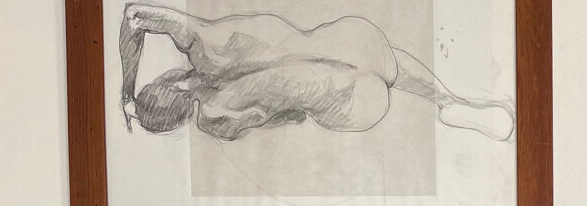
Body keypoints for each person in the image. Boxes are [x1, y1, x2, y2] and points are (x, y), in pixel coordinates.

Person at [119, 4, 515, 144]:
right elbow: (135, 16)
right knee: (379, 57)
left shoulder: (215, 118)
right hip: (356, 40)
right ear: (167, 80)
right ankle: (447, 100)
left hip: (354, 103)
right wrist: (127, 90)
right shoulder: (204, 41)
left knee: (319, 90)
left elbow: (281, 117)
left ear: (178, 120)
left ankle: (446, 105)